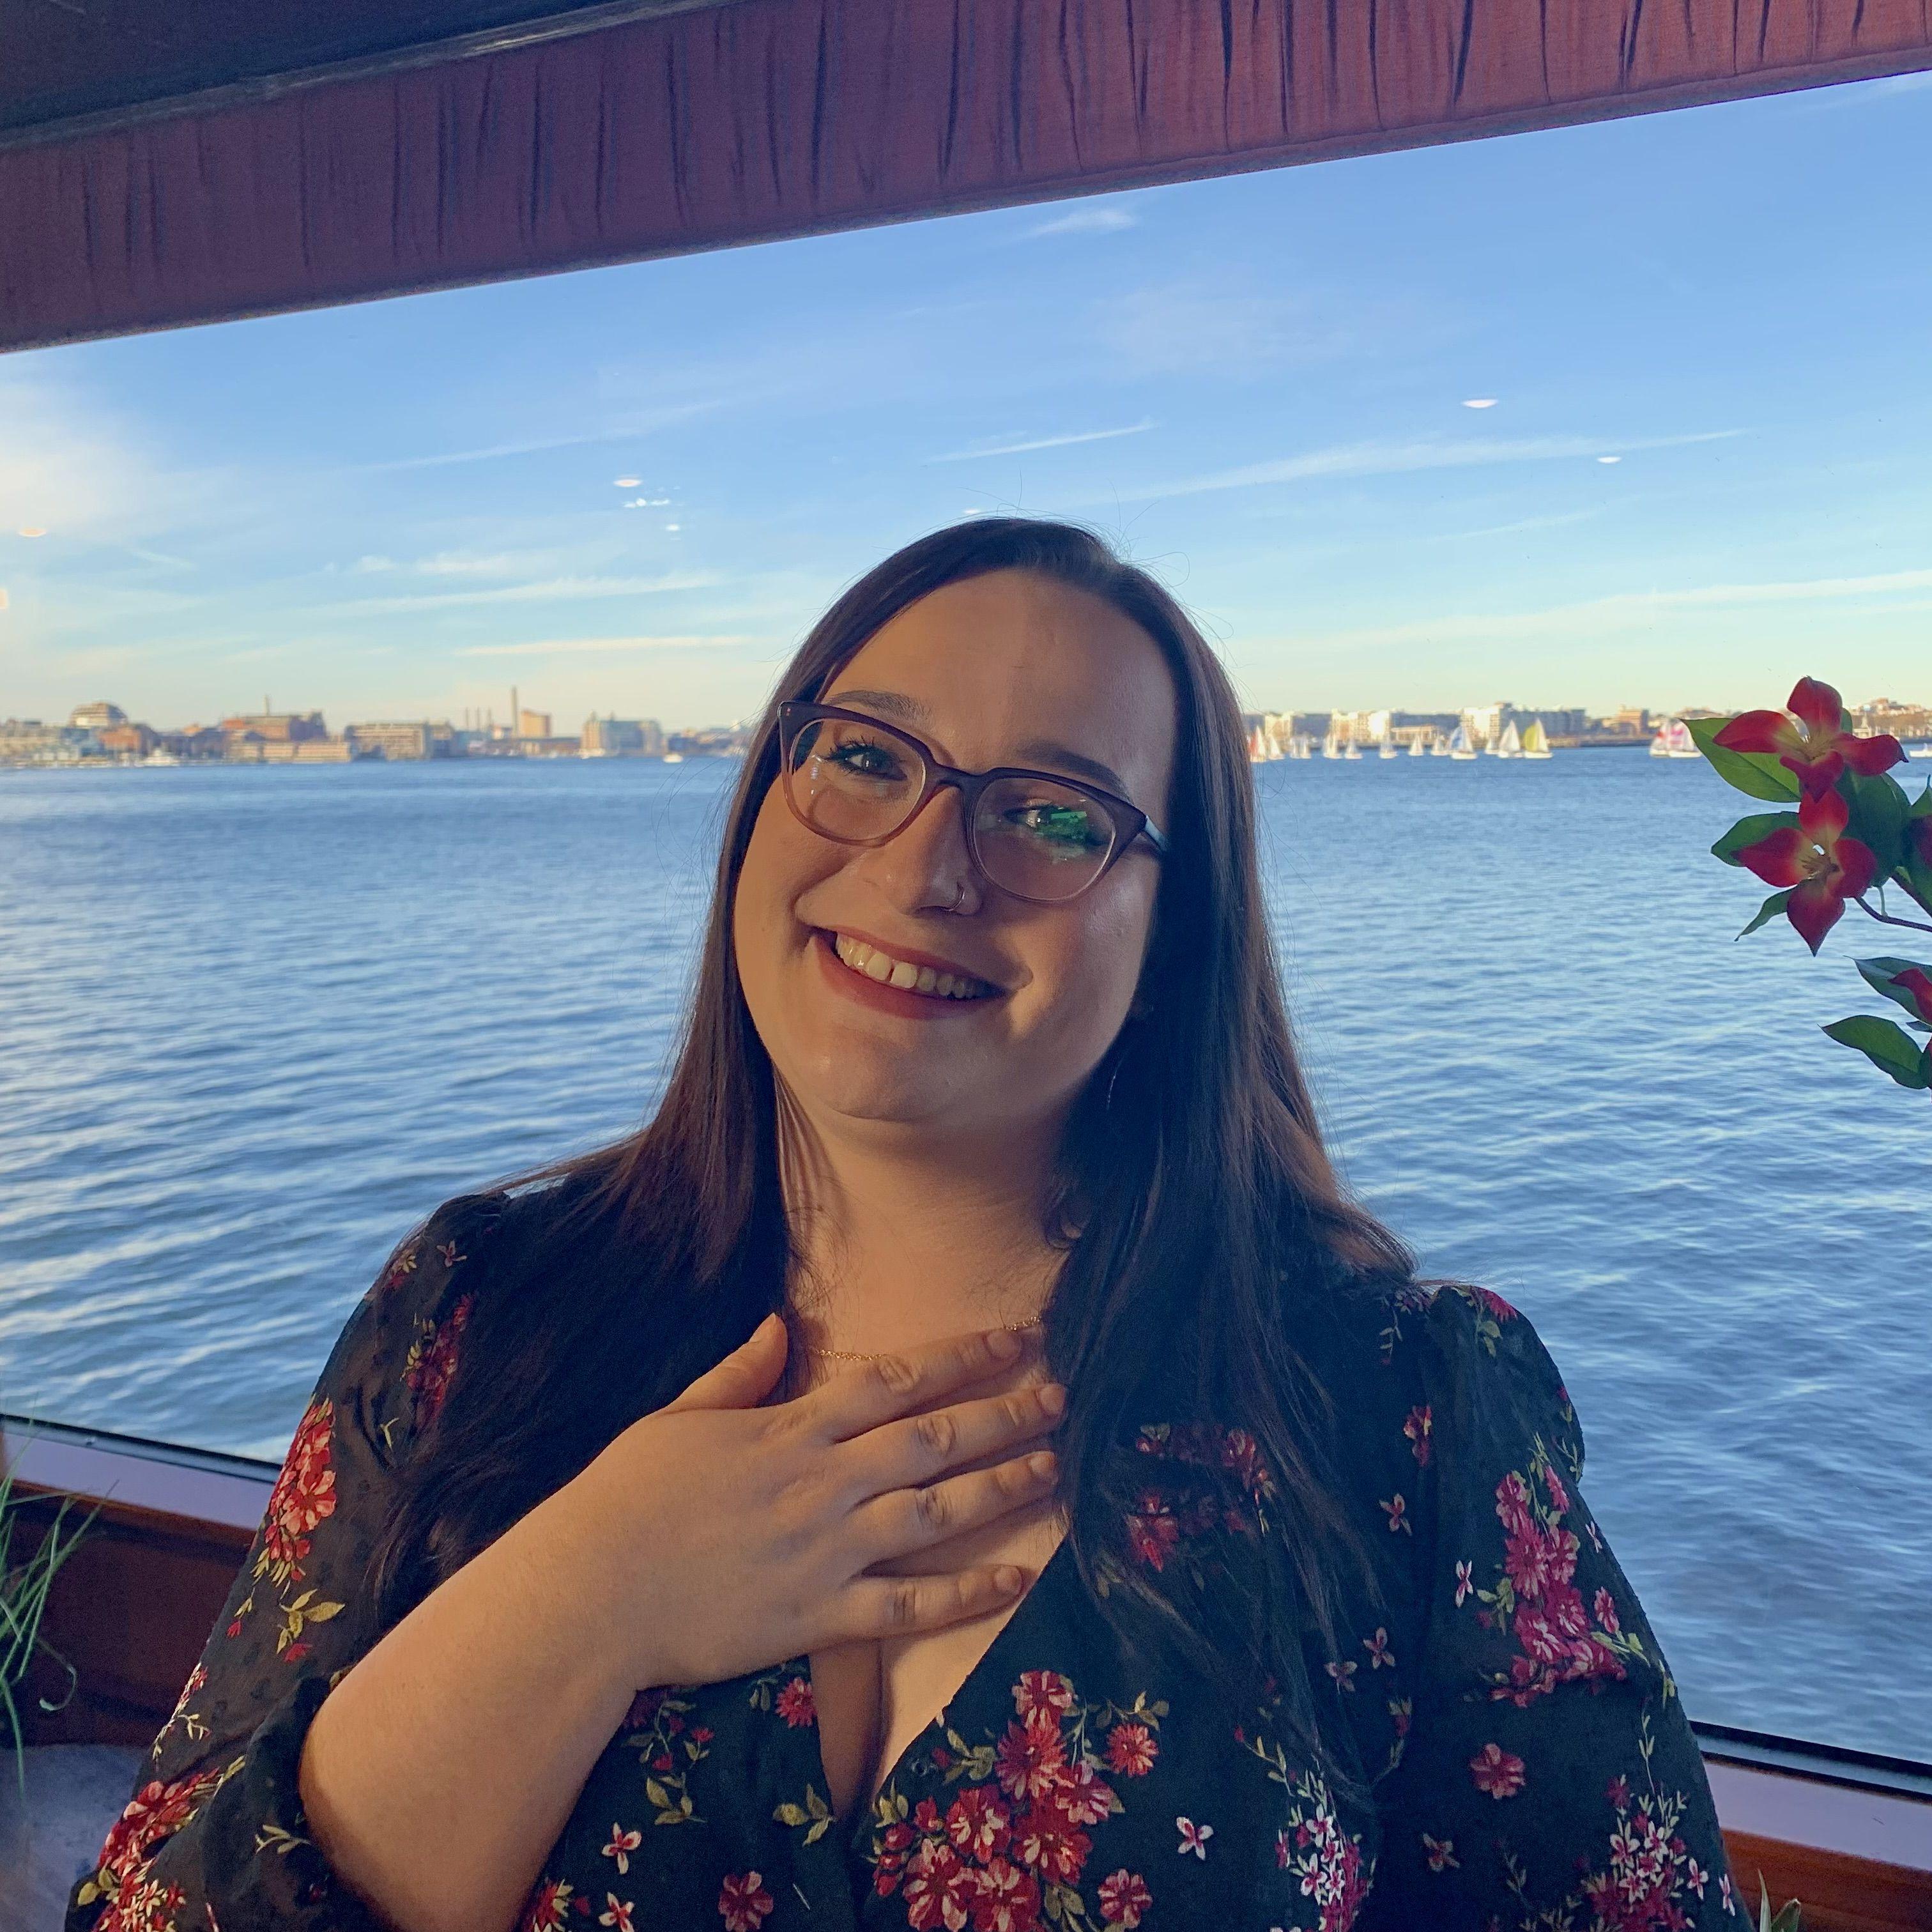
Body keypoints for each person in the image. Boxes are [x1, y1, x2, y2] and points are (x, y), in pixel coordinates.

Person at [68, 517, 1742, 1932]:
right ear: (767, 796)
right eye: (867, 757)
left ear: (1177, 937)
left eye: (1056, 814)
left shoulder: (1404, 1413)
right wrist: (587, 1594)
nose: (930, 867)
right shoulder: (473, 1316)